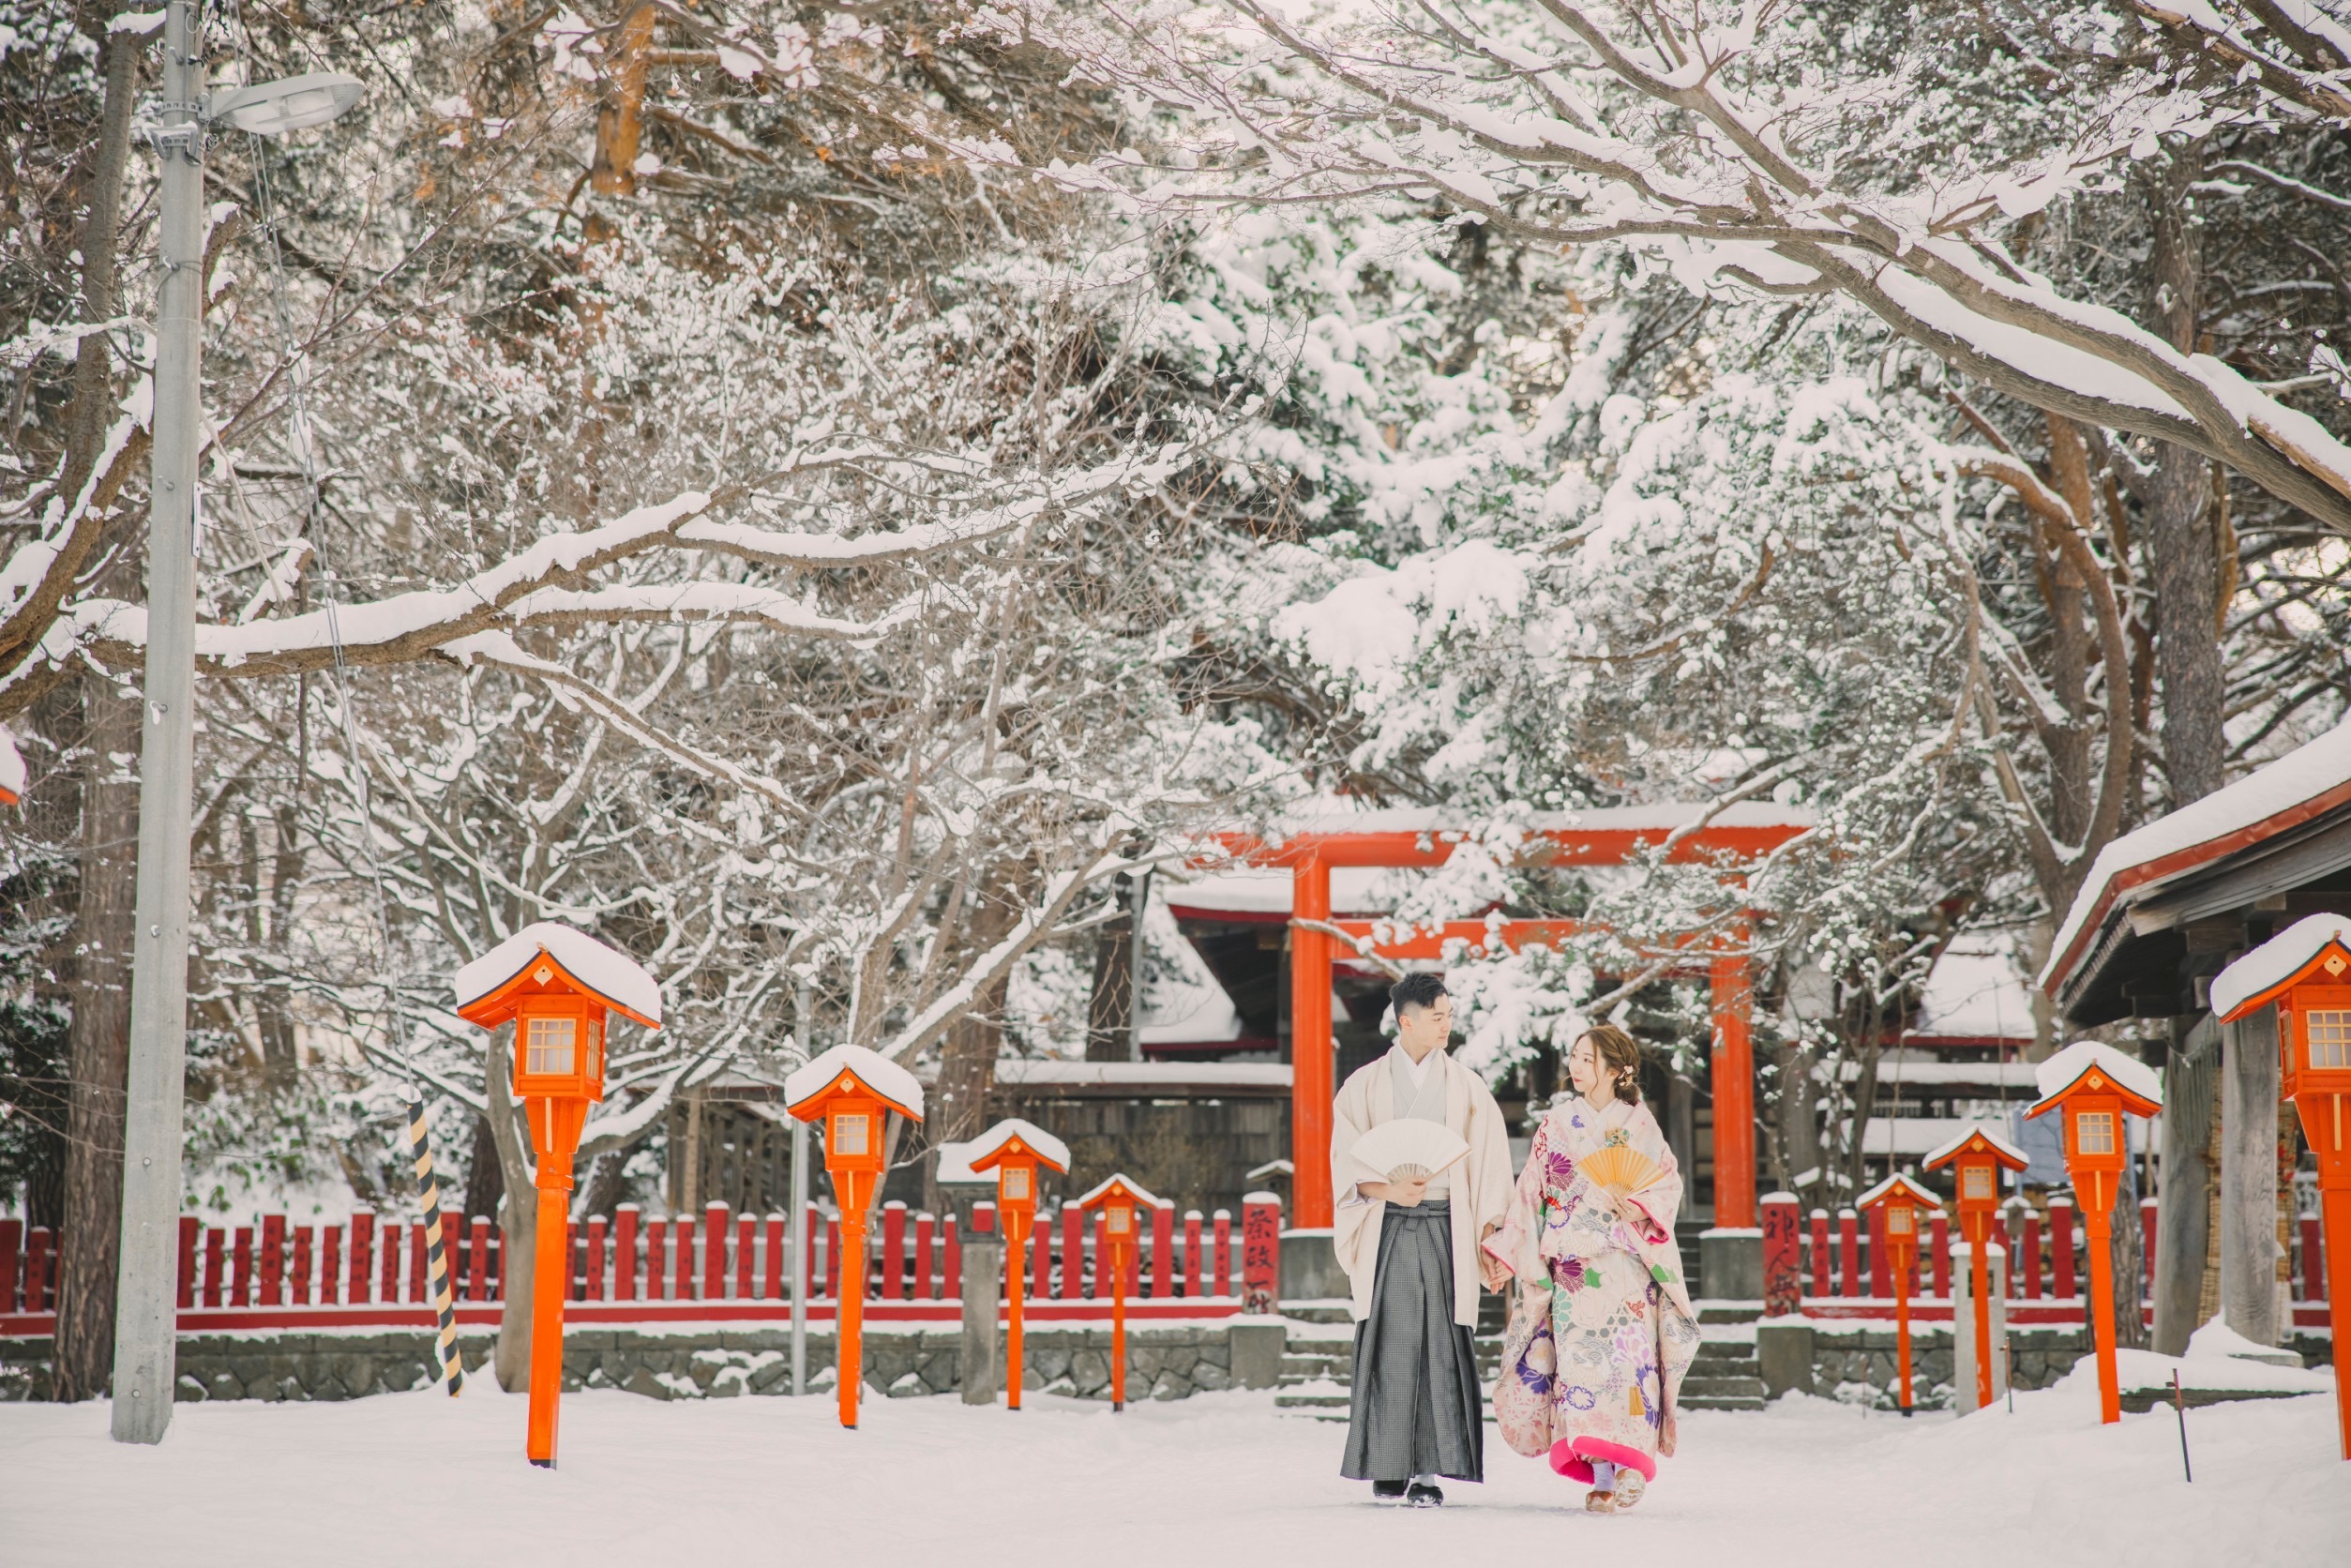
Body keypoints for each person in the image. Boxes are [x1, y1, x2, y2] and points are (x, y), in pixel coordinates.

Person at [1485, 1024, 1699, 1514]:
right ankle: (1600, 1474)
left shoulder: (1640, 1125)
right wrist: (1507, 1248)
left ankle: (1629, 1468)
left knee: (1629, 1369)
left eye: (1586, 1059)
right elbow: (1530, 1190)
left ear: (1615, 1068)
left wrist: (1642, 1207)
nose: (1575, 1067)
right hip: (1573, 1269)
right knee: (1580, 1371)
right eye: (1574, 1058)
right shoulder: (1557, 1123)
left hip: (1626, 1266)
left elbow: (1667, 1183)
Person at [1331, 972, 1515, 1507]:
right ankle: (1388, 1466)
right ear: (1405, 1020)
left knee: (1438, 1345)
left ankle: (1429, 1471)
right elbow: (1345, 1163)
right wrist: (1387, 1188)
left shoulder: (1467, 1086)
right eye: (1438, 1017)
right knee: (1389, 1343)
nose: (1447, 1026)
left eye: (1450, 1015)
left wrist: (1490, 1235)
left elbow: (1489, 1167)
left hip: (1445, 1227)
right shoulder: (1363, 1086)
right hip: (1387, 1225)